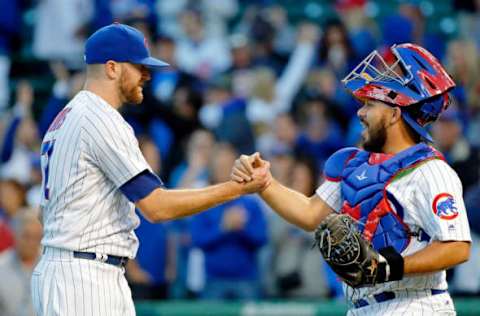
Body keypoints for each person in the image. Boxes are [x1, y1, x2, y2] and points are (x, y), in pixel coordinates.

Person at [30, 23, 270, 316]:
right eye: (138, 66)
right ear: (112, 68)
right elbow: (157, 207)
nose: (147, 75)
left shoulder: (65, 118)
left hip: (77, 269)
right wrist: (236, 189)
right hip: (84, 278)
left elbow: (45, 213)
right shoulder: (99, 119)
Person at [232, 43, 471, 315]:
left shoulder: (430, 171)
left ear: (394, 114)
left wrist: (387, 267)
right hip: (360, 307)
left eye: (370, 104)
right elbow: (311, 213)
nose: (360, 113)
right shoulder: (354, 163)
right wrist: (266, 184)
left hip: (416, 303)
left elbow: (457, 247)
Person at [0, 208, 42, 316]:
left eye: (36, 237)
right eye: (26, 236)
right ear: (14, 235)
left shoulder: (49, 266)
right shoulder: (1, 266)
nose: (31, 243)